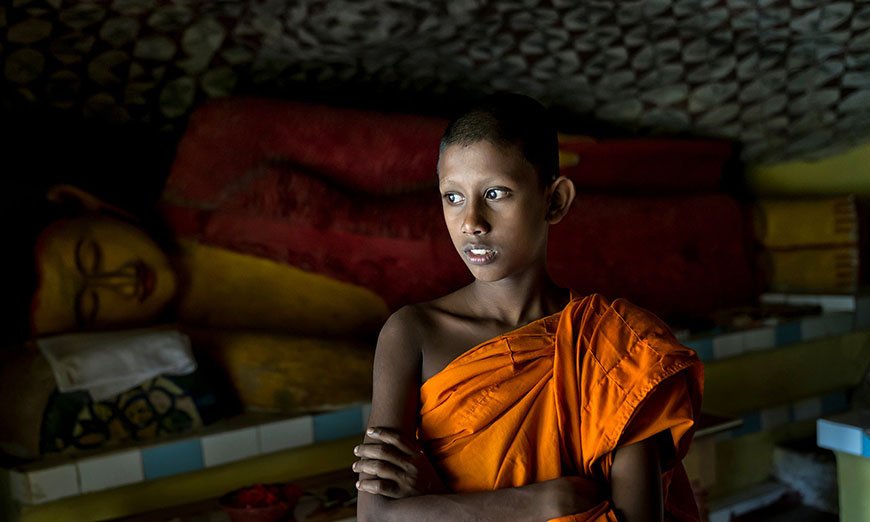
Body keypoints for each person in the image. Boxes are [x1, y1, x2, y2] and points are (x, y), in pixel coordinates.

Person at [352, 93, 704, 522]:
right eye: (453, 197)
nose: (471, 222)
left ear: (554, 200)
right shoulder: (412, 333)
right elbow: (376, 516)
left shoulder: (615, 346)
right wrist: (541, 503)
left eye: (496, 193)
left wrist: (433, 495)